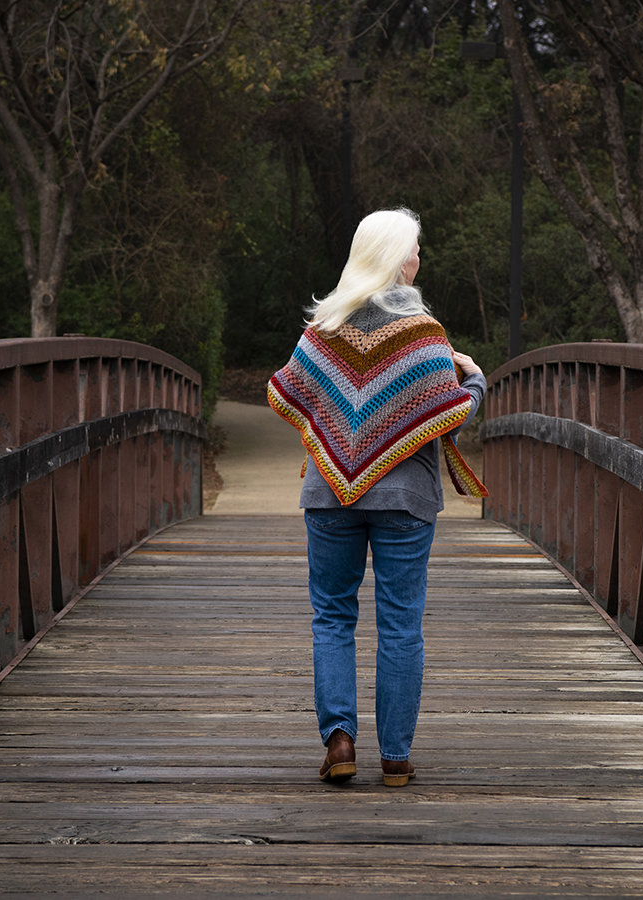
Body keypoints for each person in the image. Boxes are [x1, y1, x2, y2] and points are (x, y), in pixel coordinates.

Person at [267, 208, 487, 787]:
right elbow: (448, 417)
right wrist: (476, 380)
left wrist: (338, 426)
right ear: (399, 259)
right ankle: (395, 757)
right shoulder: (425, 335)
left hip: (328, 495)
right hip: (405, 499)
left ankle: (340, 743)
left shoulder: (324, 329)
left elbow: (287, 390)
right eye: (416, 250)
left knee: (332, 616)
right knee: (400, 624)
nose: (420, 260)